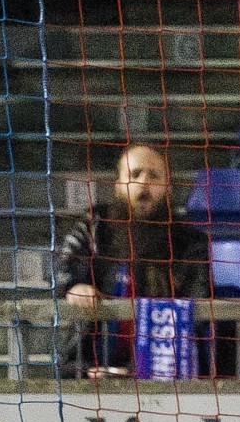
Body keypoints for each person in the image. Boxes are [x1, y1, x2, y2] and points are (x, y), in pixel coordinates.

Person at [57, 145, 211, 377]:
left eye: (154, 175)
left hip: (164, 369)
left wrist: (134, 370)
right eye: (135, 174)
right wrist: (74, 286)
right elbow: (66, 270)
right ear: (119, 185)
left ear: (167, 187)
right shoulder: (93, 226)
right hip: (86, 369)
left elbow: (195, 305)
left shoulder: (190, 242)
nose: (144, 182)